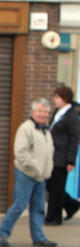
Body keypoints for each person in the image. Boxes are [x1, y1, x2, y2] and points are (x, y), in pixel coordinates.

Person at [0, 99, 57, 247]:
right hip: (26, 174)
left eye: (46, 112)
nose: (43, 114)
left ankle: (38, 237)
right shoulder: (26, 129)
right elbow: (21, 153)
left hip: (41, 176)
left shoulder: (46, 130)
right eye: (40, 111)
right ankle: (2, 232)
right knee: (20, 205)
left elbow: (49, 152)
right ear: (33, 112)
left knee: (39, 207)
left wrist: (46, 170)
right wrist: (35, 167)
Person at [45, 85, 80, 225]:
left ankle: (54, 217)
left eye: (57, 97)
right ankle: (72, 205)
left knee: (57, 189)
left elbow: (74, 138)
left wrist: (71, 160)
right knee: (50, 185)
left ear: (65, 99)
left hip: (62, 157)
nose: (55, 100)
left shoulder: (71, 116)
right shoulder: (58, 112)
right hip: (52, 156)